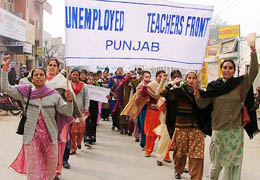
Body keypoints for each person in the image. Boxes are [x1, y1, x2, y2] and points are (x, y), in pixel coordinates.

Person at [1, 55, 73, 180]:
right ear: (32, 79)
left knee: (50, 172)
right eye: (36, 75)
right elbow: (6, 88)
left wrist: (70, 101)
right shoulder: (25, 93)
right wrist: (5, 69)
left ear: (45, 78)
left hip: (50, 138)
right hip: (32, 138)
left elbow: (66, 111)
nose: (39, 77)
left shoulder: (54, 95)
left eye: (41, 75)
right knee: (34, 171)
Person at [193, 44, 259, 180]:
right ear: (221, 69)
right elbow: (203, 104)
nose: (227, 70)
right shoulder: (213, 87)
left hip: (235, 131)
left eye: (230, 68)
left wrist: (253, 53)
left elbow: (253, 71)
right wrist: (197, 92)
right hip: (219, 130)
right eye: (225, 67)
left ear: (234, 70)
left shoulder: (241, 83)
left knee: (234, 164)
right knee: (216, 164)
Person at [160, 71, 206, 180]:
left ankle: (195, 177)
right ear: (185, 79)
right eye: (189, 77)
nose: (191, 80)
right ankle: (178, 170)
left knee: (197, 155)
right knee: (180, 154)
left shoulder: (201, 93)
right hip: (181, 127)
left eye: (194, 78)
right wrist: (171, 83)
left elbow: (206, 108)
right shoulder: (179, 92)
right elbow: (162, 93)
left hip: (197, 129)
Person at [45, 58, 82, 180]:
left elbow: (71, 100)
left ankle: (56, 172)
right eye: (50, 65)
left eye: (54, 65)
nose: (51, 67)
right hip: (43, 118)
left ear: (58, 67)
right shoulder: (39, 78)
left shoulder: (63, 82)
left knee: (59, 145)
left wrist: (77, 115)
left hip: (60, 117)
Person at [140, 70, 170, 162]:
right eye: (159, 76)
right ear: (156, 77)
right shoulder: (150, 85)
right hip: (152, 111)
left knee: (164, 135)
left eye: (163, 76)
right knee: (150, 133)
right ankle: (148, 150)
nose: (161, 78)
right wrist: (144, 85)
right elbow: (143, 94)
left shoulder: (167, 86)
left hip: (163, 113)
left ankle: (165, 155)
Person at [70, 69, 89, 154]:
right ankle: (73, 148)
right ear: (70, 75)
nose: (75, 76)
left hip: (81, 111)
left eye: (76, 75)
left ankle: (79, 142)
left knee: (81, 130)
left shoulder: (83, 85)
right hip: (71, 111)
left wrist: (86, 108)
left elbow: (86, 98)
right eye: (73, 74)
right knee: (73, 131)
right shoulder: (67, 85)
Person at [84, 75, 99, 145]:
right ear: (87, 80)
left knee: (93, 122)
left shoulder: (97, 88)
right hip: (87, 107)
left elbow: (102, 96)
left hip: (94, 107)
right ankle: (87, 137)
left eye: (92, 80)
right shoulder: (84, 87)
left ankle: (93, 137)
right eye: (89, 79)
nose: (91, 81)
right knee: (87, 122)